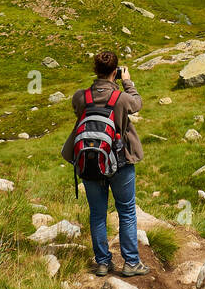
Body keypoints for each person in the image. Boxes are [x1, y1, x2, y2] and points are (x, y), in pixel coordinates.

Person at [61, 49, 149, 277]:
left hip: (90, 162)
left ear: (95, 70)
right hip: (120, 162)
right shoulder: (121, 98)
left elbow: (78, 111)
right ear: (115, 72)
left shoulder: (81, 97)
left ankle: (102, 262)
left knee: (97, 214)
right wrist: (128, 83)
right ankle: (131, 263)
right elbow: (137, 103)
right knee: (127, 211)